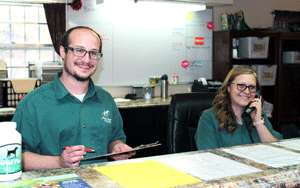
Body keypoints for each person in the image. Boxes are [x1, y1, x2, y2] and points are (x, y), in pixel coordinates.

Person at [12, 26, 135, 171]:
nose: (86, 59)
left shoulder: (106, 99)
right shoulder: (33, 103)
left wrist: (116, 147)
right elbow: (14, 157)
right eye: (79, 50)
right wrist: (58, 162)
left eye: (93, 53)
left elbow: (114, 138)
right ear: (63, 52)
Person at [194, 65, 282, 150]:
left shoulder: (259, 116)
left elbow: (277, 151)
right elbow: (209, 158)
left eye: (252, 87)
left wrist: (258, 122)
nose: (247, 91)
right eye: (241, 86)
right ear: (229, 87)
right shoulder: (209, 118)